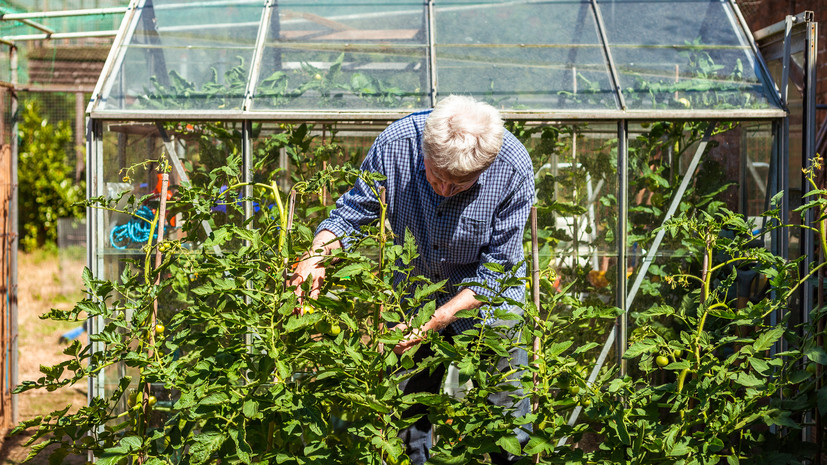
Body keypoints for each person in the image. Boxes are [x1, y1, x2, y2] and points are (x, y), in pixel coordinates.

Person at [288, 95, 535, 464]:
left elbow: (499, 268)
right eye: (438, 178)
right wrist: (316, 255)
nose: (445, 191)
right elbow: (352, 215)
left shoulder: (513, 168)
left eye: (461, 184)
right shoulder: (396, 145)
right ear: (425, 152)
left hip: (488, 304)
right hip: (415, 291)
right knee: (407, 407)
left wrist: (439, 318)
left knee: (506, 408)